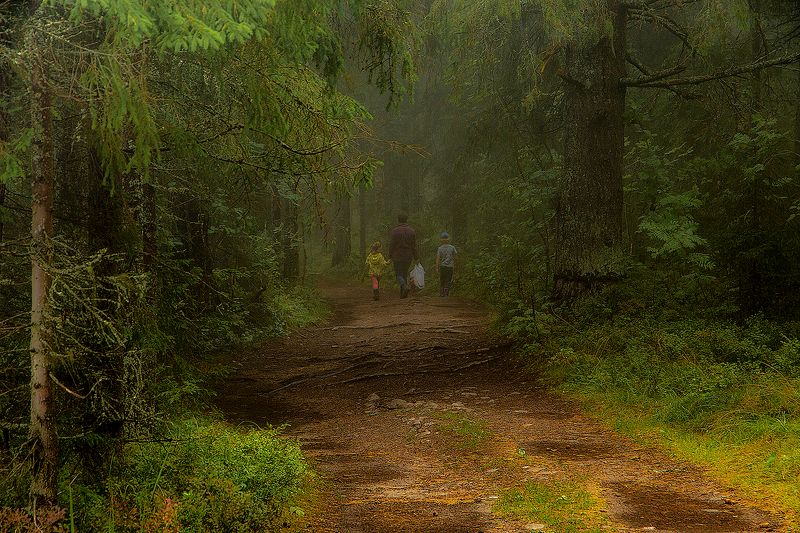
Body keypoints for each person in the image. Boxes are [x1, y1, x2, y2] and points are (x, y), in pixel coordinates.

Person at [388, 213, 418, 298]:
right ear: (406, 220)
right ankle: (403, 294)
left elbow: (392, 244)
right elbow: (414, 246)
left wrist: (390, 255)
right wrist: (416, 256)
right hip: (408, 256)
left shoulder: (394, 231)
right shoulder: (412, 231)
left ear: (398, 220)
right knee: (404, 273)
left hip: (397, 256)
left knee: (398, 275)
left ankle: (404, 286)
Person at [436, 231, 457, 297]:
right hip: (450, 267)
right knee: (448, 280)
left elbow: (438, 258)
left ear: (441, 240)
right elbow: (455, 257)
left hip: (442, 266)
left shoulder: (440, 248)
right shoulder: (452, 247)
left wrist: (437, 267)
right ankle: (446, 293)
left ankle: (442, 293)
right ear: (448, 239)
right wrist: (455, 264)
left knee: (442, 280)